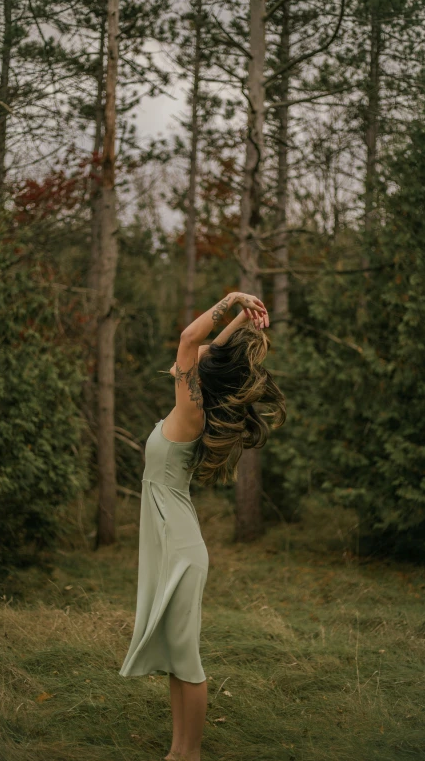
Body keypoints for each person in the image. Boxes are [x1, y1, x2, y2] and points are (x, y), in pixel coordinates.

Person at [118, 291, 286, 761]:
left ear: (198, 377)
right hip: (173, 539)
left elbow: (190, 338)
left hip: (179, 549)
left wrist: (232, 299)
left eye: (198, 359)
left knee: (186, 659)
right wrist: (238, 323)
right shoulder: (191, 405)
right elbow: (204, 348)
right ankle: (177, 751)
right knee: (176, 656)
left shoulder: (190, 411)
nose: (190, 357)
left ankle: (188, 755)